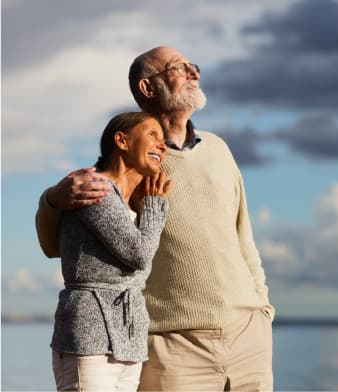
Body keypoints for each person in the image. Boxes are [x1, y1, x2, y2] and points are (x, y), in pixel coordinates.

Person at [36, 46, 275, 391]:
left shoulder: (219, 149)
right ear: (148, 88)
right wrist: (53, 200)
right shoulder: (130, 165)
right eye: (180, 68)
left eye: (194, 66)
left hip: (248, 337)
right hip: (171, 346)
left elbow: (244, 237)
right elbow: (53, 245)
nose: (194, 73)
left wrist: (262, 312)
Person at [49, 112, 172, 391]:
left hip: (128, 339)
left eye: (163, 139)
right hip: (90, 335)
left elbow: (139, 269)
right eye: (152, 134)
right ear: (122, 140)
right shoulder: (96, 190)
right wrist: (154, 207)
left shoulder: (129, 204)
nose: (162, 145)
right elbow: (139, 255)